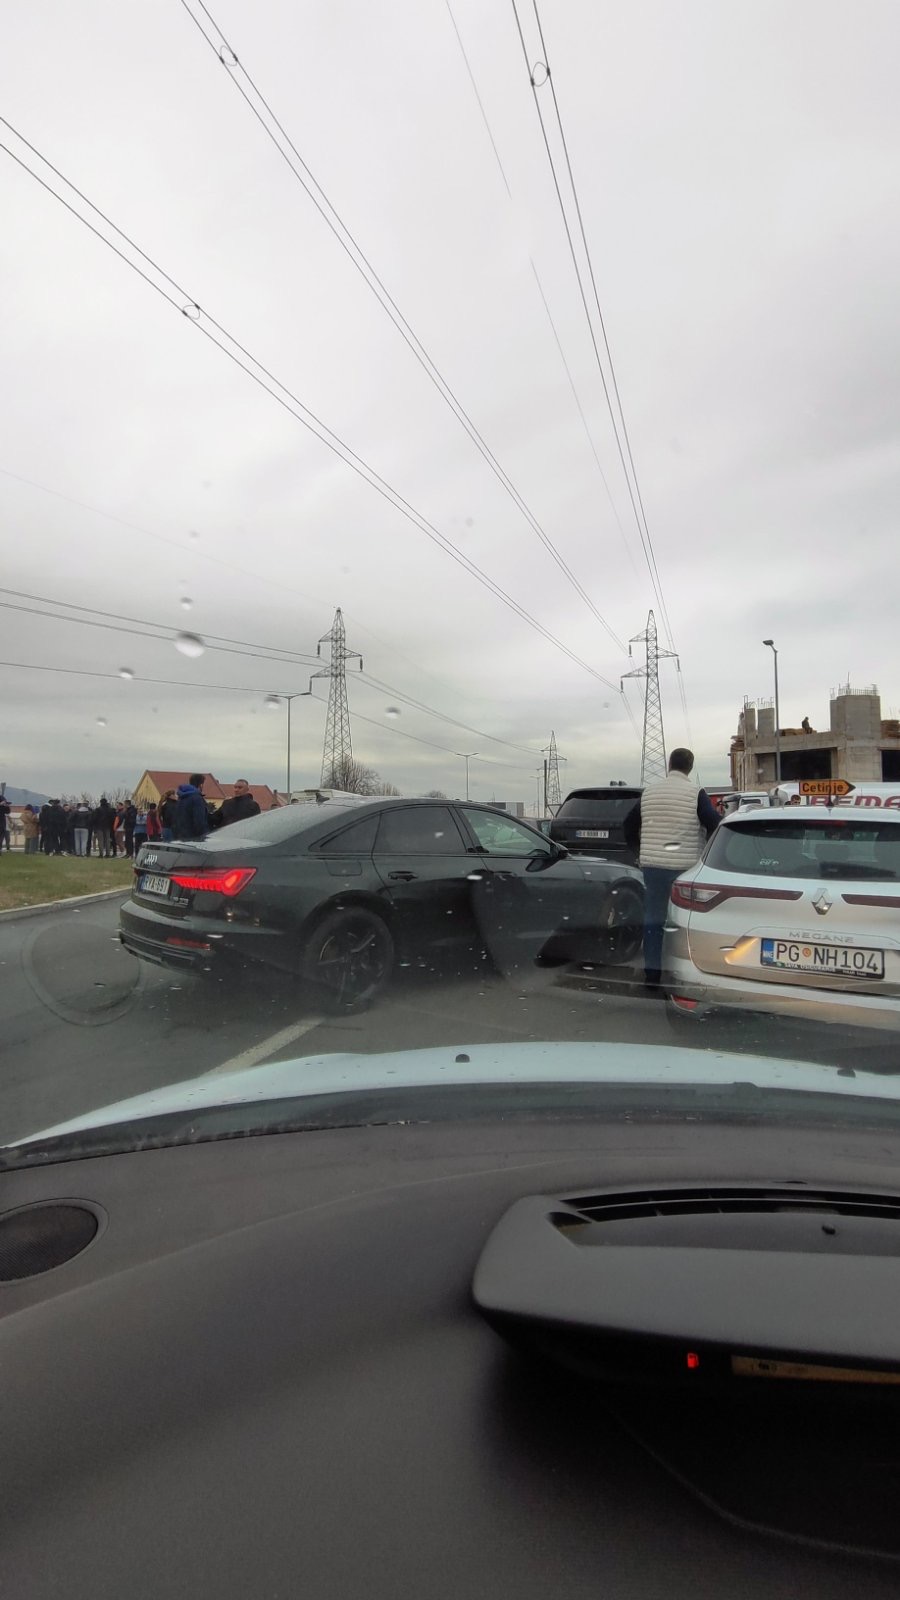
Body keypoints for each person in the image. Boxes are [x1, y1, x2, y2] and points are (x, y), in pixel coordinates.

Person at [624, 748, 720, 990]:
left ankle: (652, 975)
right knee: (685, 920)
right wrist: (704, 855)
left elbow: (628, 824)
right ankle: (685, 971)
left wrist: (638, 852)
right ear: (690, 767)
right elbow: (714, 824)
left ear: (669, 764)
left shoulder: (649, 793)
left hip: (653, 867)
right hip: (685, 868)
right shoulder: (695, 792)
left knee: (653, 919)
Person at [173, 774, 210, 841]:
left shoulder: (181, 798)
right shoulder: (197, 798)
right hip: (194, 838)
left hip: (181, 836)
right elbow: (199, 821)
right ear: (201, 785)